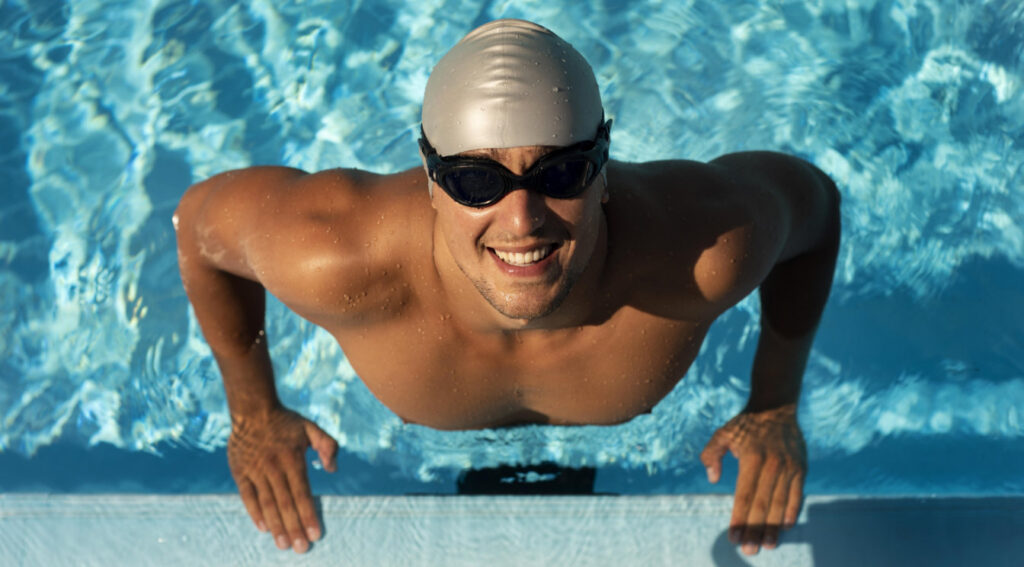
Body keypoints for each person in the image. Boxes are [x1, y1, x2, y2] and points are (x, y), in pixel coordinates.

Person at [173, 19, 840, 556]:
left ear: (603, 166)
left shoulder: (699, 252)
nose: (522, 221)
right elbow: (197, 227)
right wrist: (254, 413)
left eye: (561, 173)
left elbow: (819, 210)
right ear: (431, 180)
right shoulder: (337, 257)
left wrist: (774, 404)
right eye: (475, 181)